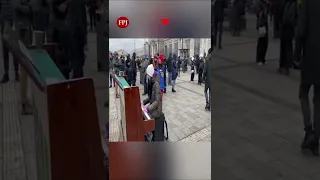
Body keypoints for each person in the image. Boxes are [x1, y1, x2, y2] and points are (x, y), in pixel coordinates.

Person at [295, 0, 320, 156]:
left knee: (303, 93)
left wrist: (297, 54)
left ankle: (309, 130)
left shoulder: (308, 2)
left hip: (310, 56)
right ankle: (316, 137)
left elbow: (301, 31)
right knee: (318, 99)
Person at [15, 0, 33, 115]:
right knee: (24, 67)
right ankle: (23, 102)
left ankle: (25, 99)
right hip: (22, 30)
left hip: (26, 30)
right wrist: (29, 7)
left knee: (26, 68)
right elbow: (20, 7)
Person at [142, 64, 164, 141]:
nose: (147, 77)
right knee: (143, 114)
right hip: (153, 107)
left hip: (157, 110)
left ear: (151, 75)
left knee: (145, 116)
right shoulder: (152, 83)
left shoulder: (156, 84)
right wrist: (144, 102)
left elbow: (157, 102)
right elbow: (151, 97)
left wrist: (148, 109)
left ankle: (148, 134)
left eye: (148, 75)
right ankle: (147, 133)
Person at [0, 0, 19, 83]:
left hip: (13, 25)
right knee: (5, 50)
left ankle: (16, 73)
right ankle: (6, 73)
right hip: (4, 24)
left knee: (16, 50)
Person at [278, 0, 297, 75]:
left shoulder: (293, 4)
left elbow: (289, 17)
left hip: (288, 28)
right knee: (283, 46)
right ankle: (282, 65)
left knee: (287, 47)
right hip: (284, 27)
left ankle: (287, 66)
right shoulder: (286, 3)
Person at [256, 0, 269, 65]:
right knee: (261, 41)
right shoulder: (259, 2)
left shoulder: (266, 3)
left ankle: (263, 58)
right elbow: (258, 13)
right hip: (261, 24)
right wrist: (263, 11)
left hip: (265, 24)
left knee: (265, 42)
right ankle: (259, 59)